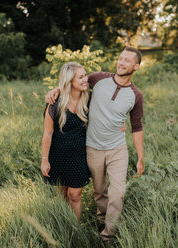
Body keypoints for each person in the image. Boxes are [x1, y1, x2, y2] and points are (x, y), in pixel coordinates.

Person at [46, 47, 144, 244]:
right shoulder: (99, 78)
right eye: (120, 58)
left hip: (118, 148)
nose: (121, 62)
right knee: (99, 191)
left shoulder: (136, 95)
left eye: (127, 60)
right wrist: (56, 89)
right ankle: (101, 220)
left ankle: (108, 236)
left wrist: (141, 158)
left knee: (118, 192)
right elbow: (74, 81)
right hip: (92, 148)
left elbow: (136, 126)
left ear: (136, 66)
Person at [41, 62, 91, 221]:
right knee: (62, 193)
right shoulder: (54, 103)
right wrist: (44, 160)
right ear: (69, 82)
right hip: (59, 154)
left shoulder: (89, 99)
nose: (86, 79)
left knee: (74, 194)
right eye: (81, 77)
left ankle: (74, 228)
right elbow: (47, 133)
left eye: (85, 75)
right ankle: (64, 223)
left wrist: (120, 122)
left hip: (80, 155)